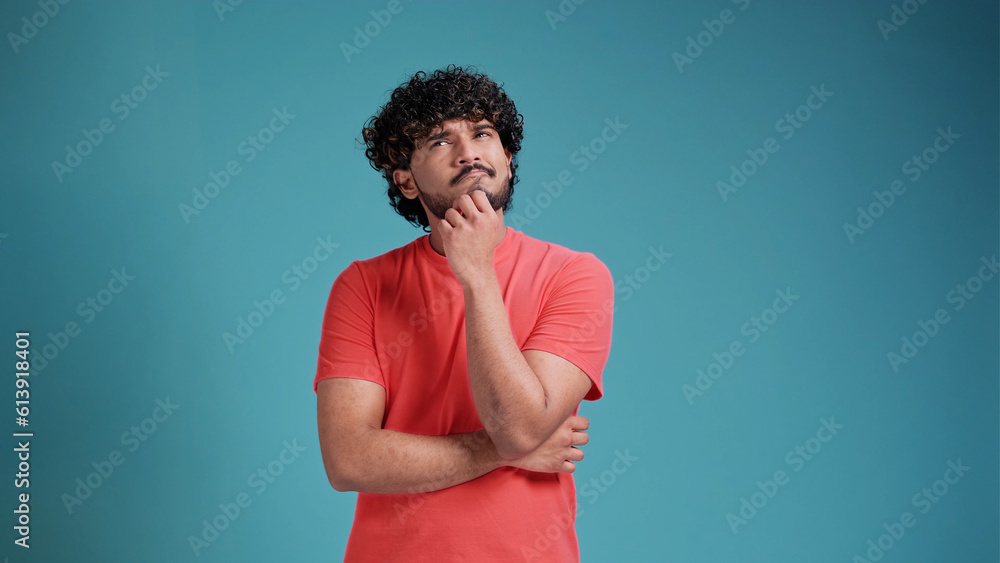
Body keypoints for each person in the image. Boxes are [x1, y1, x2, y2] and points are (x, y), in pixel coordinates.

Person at [314, 65, 614, 562]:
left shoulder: (575, 276)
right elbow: (348, 461)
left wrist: (476, 273)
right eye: (440, 140)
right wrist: (499, 452)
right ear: (407, 181)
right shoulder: (363, 285)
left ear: (508, 159)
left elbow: (519, 428)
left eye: (483, 133)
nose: (468, 151)